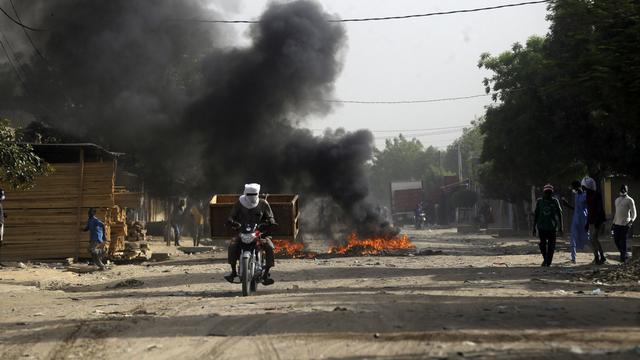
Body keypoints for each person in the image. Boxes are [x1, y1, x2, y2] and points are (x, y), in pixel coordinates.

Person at [224, 183, 277, 285]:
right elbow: (232, 215)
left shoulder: (263, 203)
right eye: (249, 194)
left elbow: (270, 216)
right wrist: (231, 221)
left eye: (254, 194)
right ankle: (233, 272)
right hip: (242, 231)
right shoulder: (239, 203)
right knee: (232, 246)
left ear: (257, 194)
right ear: (245, 193)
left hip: (259, 232)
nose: (251, 196)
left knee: (270, 247)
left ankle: (266, 274)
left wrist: (270, 221)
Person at [533, 184, 563, 267]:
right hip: (541, 226)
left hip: (552, 227)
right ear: (544, 192)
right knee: (542, 244)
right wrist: (534, 228)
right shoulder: (539, 201)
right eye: (546, 192)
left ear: (552, 193)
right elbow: (536, 214)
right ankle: (546, 259)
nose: (548, 194)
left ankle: (548, 262)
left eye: (549, 192)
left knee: (551, 246)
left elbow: (560, 214)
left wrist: (561, 227)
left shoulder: (555, 201)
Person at [562, 181, 589, 263]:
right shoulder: (576, 195)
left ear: (577, 187)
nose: (572, 189)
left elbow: (588, 209)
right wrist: (567, 205)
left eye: (573, 188)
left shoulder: (585, 196)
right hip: (575, 219)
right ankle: (573, 258)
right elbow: (576, 208)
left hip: (583, 219)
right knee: (573, 237)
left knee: (586, 238)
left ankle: (598, 255)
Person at [582, 176, 607, 264]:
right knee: (592, 239)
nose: (583, 188)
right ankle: (597, 257)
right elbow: (589, 210)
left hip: (598, 220)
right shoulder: (588, 196)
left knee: (593, 238)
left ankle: (601, 256)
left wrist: (597, 222)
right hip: (592, 220)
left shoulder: (597, 195)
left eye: (584, 187)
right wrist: (587, 223)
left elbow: (599, 209)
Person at [612, 184, 636, 263]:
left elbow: (634, 213)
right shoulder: (617, 200)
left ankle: (623, 259)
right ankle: (624, 254)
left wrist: (631, 221)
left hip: (625, 224)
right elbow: (616, 213)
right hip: (617, 223)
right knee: (616, 240)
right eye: (622, 189)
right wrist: (613, 223)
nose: (622, 190)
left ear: (626, 190)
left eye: (624, 189)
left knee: (623, 240)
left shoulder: (630, 200)